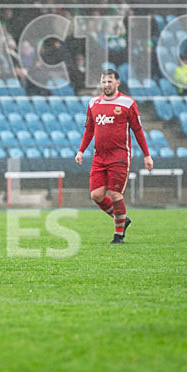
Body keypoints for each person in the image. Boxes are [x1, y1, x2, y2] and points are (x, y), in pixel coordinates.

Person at [75, 69, 153, 244]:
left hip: (119, 156)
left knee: (116, 195)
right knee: (96, 195)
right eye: (104, 82)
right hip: (99, 157)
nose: (106, 85)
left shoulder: (128, 103)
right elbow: (89, 129)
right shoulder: (93, 103)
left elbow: (138, 130)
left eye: (109, 81)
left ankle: (118, 235)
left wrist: (147, 155)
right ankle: (122, 219)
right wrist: (81, 150)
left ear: (117, 83)